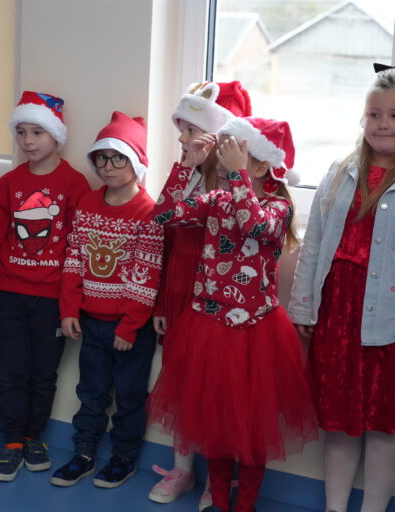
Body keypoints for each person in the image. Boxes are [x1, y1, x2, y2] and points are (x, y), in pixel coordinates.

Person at [288, 66, 395, 512]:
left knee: (383, 426)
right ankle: (335, 507)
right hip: (337, 315)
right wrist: (304, 307)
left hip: (394, 327)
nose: (383, 124)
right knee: (338, 424)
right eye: (374, 114)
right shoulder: (340, 172)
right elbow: (314, 244)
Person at [147, 116, 318, 512]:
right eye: (224, 154)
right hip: (210, 326)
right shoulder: (216, 200)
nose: (223, 161)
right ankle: (220, 501)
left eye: (234, 153)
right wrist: (186, 166)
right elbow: (162, 215)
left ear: (260, 165)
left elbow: (253, 226)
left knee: (253, 428)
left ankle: (246, 505)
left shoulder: (277, 208)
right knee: (216, 422)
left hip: (256, 333)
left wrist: (238, 174)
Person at [148, 80, 251, 506]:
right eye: (181, 131)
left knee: (217, 386)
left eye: (190, 131)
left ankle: (218, 478)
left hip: (217, 294)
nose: (181, 139)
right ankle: (183, 469)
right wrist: (185, 166)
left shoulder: (233, 185)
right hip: (179, 287)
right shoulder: (186, 177)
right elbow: (161, 220)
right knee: (180, 383)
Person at [51, 112, 164, 489]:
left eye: (119, 158)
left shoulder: (149, 213)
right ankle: (84, 453)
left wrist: (129, 326)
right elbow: (74, 259)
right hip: (91, 321)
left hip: (131, 327)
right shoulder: (86, 204)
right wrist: (68, 309)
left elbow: (146, 274)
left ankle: (123, 458)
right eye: (102, 158)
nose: (109, 166)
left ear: (136, 162)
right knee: (91, 392)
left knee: (130, 396)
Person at [0, 91, 90, 482]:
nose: (28, 141)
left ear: (55, 136)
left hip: (52, 300)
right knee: (11, 372)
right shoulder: (9, 183)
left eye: (37, 132)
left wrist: (70, 304)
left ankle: (34, 438)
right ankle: (12, 441)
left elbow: (78, 248)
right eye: (21, 132)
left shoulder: (75, 184)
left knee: (44, 375)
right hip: (11, 295)